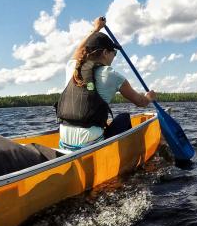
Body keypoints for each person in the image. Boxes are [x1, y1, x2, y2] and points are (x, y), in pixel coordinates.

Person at [55, 16, 156, 151]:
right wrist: (150, 96)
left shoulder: (72, 67)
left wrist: (96, 28)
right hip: (90, 146)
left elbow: (79, 50)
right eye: (113, 52)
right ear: (105, 53)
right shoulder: (111, 74)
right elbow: (141, 102)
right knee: (123, 118)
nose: (114, 56)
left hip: (64, 144)